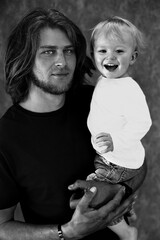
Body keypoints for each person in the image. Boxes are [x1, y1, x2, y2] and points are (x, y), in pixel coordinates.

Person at [0, 8, 141, 240]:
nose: (62, 62)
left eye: (68, 51)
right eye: (48, 52)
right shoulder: (6, 137)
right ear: (24, 58)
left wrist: (121, 189)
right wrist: (66, 232)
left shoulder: (95, 100)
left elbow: (138, 160)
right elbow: (2, 227)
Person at [87, 16, 152, 240]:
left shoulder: (129, 89)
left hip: (119, 162)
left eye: (119, 51)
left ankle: (126, 232)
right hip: (109, 156)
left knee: (95, 195)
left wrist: (116, 141)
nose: (110, 57)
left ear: (132, 57)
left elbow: (143, 122)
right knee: (108, 191)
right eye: (102, 51)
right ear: (94, 54)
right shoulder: (106, 80)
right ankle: (124, 202)